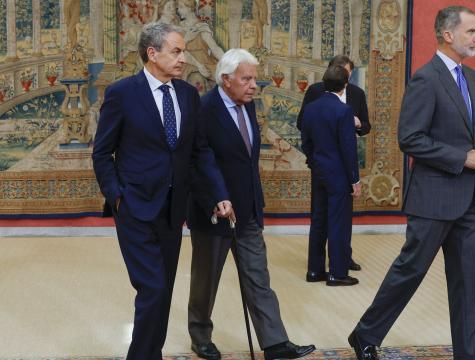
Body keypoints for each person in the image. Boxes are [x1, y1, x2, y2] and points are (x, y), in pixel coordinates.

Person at [348, 6, 475, 360]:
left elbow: (471, 133)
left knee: (471, 283)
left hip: (468, 200)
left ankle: (472, 353)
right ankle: (365, 335)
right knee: (409, 272)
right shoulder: (426, 79)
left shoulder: (470, 78)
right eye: (471, 31)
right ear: (448, 35)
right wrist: (463, 158)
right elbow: (410, 138)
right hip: (433, 199)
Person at [92, 22, 231, 359]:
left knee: (163, 290)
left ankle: (150, 353)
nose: (184, 58)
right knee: (152, 288)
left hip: (173, 211)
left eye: (183, 51)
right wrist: (117, 195)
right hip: (135, 208)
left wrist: (218, 194)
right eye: (177, 51)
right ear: (152, 53)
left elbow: (198, 152)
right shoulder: (122, 93)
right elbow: (101, 152)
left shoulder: (187, 94)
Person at [186, 48, 316, 360]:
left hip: (248, 211)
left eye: (254, 78)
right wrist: (216, 198)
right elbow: (197, 161)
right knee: (206, 281)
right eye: (247, 79)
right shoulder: (204, 110)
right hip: (214, 214)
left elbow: (245, 160)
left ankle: (275, 344)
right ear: (226, 79)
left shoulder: (247, 106)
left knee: (259, 278)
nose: (253, 85)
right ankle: (200, 335)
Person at [297, 55, 369, 280]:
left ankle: (314, 270)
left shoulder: (312, 108)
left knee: (318, 220)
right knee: (339, 221)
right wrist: (354, 179)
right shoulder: (344, 111)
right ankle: (338, 273)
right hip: (339, 174)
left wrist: (313, 160)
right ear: (344, 83)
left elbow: (305, 141)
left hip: (319, 170)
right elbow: (348, 149)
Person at [297, 55, 371, 137]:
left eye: (345, 71)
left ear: (351, 72)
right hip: (319, 147)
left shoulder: (358, 93)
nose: (341, 74)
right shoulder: (314, 90)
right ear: (329, 71)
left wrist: (359, 124)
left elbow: (366, 127)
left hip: (346, 147)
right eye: (338, 70)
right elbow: (301, 123)